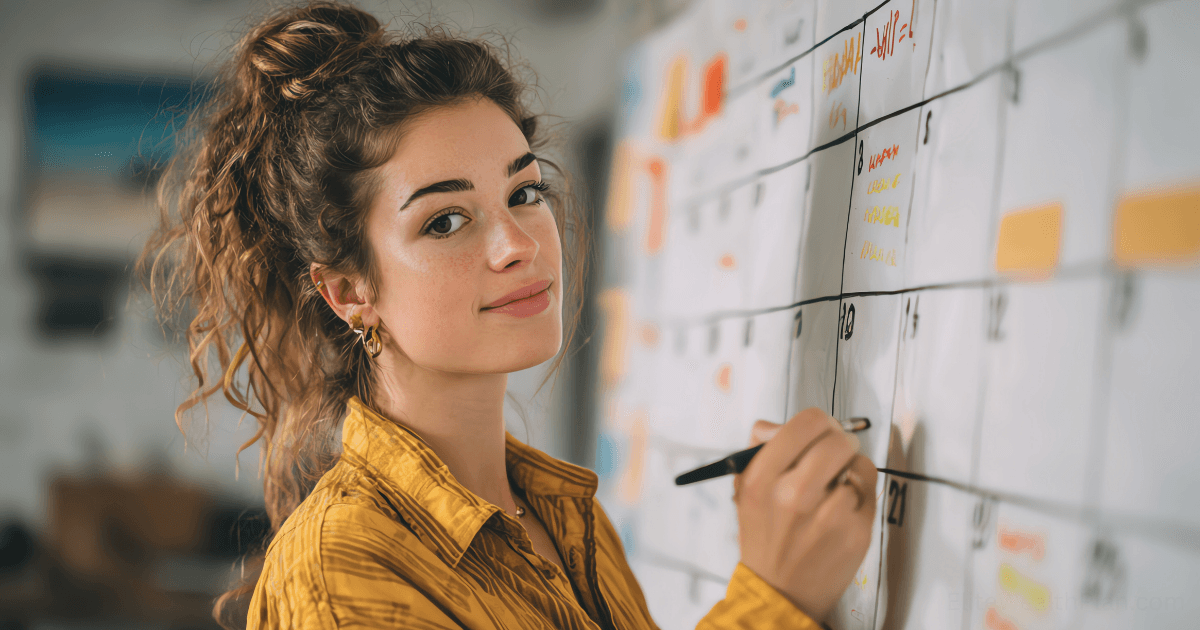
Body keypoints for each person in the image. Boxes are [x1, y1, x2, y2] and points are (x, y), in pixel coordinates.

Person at [136, 2, 878, 628]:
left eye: (524, 193)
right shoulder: (340, 571)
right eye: (446, 222)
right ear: (350, 292)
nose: (519, 244)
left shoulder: (565, 520)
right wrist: (774, 600)